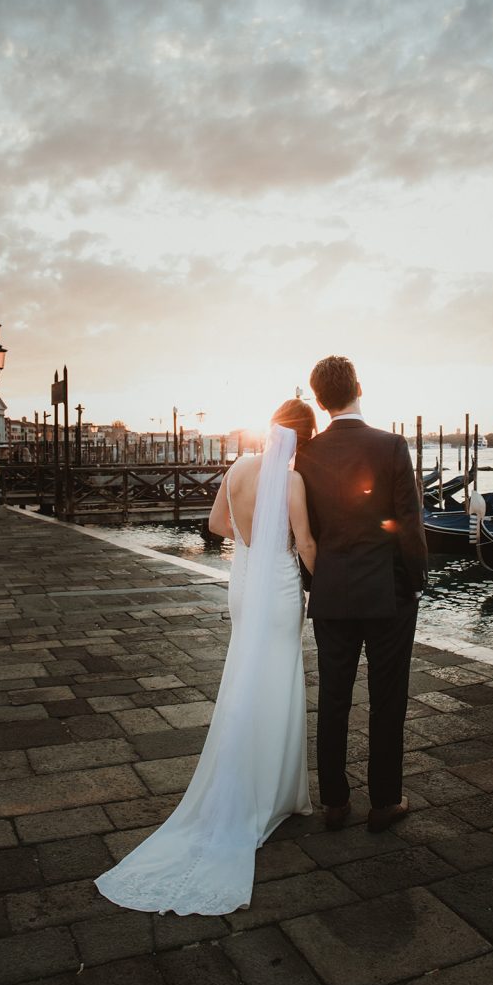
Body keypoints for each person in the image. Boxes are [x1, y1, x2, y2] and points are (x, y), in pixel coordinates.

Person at [95, 399, 317, 915]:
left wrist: (250, 539)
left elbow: (216, 525)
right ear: (302, 439)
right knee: (279, 682)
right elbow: (304, 543)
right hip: (280, 589)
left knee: (245, 675)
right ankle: (277, 793)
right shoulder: (294, 481)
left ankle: (247, 779)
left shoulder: (238, 467)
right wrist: (323, 574)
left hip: (242, 586)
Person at [295, 356, 428, 833]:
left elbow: (303, 531)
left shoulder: (306, 454)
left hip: (331, 592)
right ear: (359, 388)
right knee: (388, 699)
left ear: (319, 399)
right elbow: (408, 523)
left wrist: (317, 582)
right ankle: (385, 802)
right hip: (387, 592)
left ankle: (333, 802)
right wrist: (417, 579)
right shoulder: (391, 445)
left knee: (333, 697)